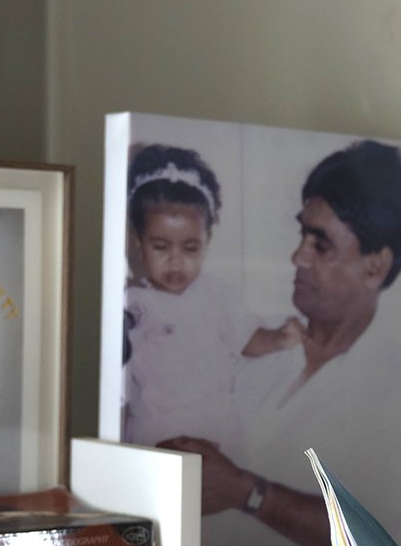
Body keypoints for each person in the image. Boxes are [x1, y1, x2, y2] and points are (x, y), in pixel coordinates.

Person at [164, 139, 401, 546]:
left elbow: (375, 536)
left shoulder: (396, 394)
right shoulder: (252, 336)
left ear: (375, 266)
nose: (297, 256)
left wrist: (247, 492)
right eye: (302, 234)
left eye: (320, 244)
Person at [120, 143, 296, 447]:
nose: (176, 261)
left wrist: (278, 338)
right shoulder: (129, 304)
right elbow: (120, 390)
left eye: (190, 248)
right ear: (138, 241)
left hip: (215, 428)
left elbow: (247, 339)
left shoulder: (216, 294)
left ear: (208, 239)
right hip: (157, 433)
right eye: (160, 247)